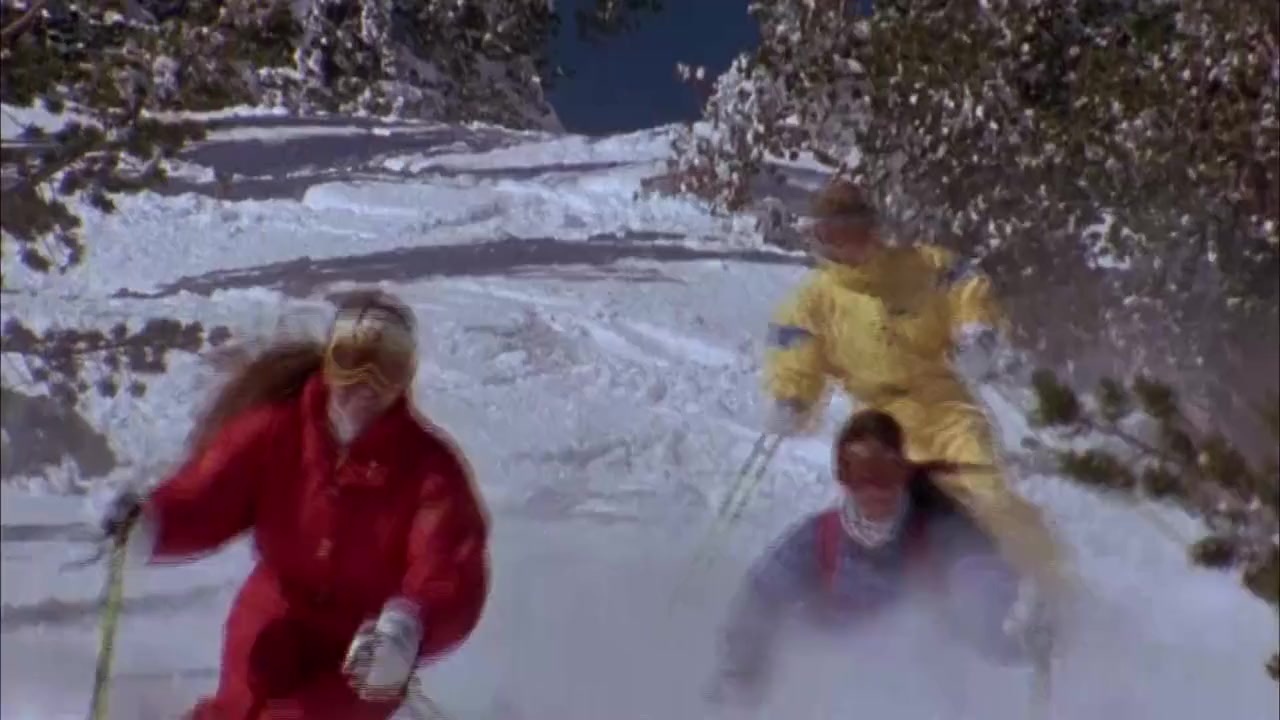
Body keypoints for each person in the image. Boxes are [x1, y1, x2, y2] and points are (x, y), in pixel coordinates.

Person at [99, 289, 490, 720]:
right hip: (276, 611)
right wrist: (155, 520)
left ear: (405, 379)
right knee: (239, 707)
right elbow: (210, 494)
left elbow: (449, 567)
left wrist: (410, 628)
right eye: (351, 360)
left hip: (367, 649)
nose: (366, 383)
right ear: (329, 362)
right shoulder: (276, 432)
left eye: (387, 369)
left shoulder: (430, 471)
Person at [762, 177, 1069, 600]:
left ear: (873, 228)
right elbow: (796, 351)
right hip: (878, 426)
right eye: (834, 234)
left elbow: (964, 287)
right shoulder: (815, 301)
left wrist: (976, 333)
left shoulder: (920, 267)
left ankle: (1050, 587)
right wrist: (791, 397)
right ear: (820, 238)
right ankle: (907, 609)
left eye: (855, 230)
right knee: (888, 517)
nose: (848, 246)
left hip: (945, 409)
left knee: (986, 497)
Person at [708, 410, 1052, 706]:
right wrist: (741, 671)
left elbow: (980, 582)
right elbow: (762, 597)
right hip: (832, 697)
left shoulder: (936, 536)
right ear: (842, 477)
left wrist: (1013, 620)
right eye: (859, 471)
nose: (873, 488)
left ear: (902, 474)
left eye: (884, 471)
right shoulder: (819, 540)